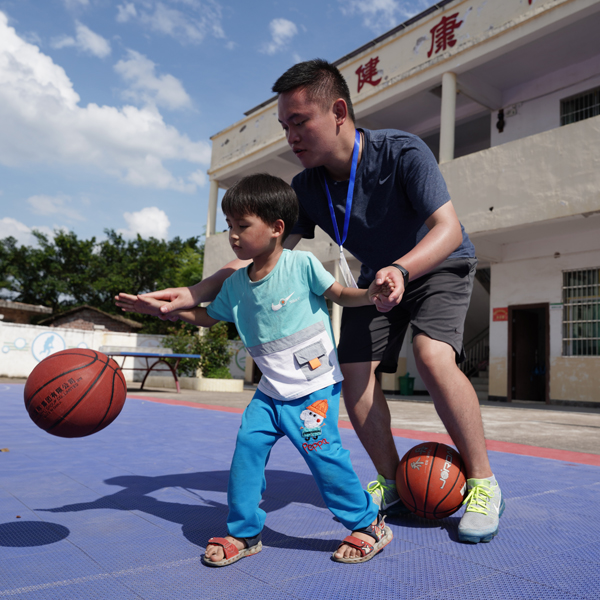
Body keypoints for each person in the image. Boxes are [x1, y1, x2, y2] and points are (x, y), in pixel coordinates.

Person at [134, 59, 504, 544]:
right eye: (285, 125)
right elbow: (262, 261)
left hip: (437, 264)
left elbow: (448, 228)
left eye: (300, 121)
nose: (292, 135)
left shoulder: (401, 152)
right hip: (376, 280)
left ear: (338, 111)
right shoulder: (305, 189)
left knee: (432, 356)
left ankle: (482, 483)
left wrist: (402, 268)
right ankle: (391, 482)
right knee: (353, 372)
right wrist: (195, 293)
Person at [117, 174, 393, 566]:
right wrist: (164, 310)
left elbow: (340, 295)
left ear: (277, 228)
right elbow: (206, 317)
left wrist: (369, 294)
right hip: (269, 394)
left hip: (314, 389)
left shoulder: (301, 264)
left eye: (242, 225)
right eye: (229, 226)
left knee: (322, 453)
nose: (233, 235)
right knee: (246, 452)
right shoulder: (234, 285)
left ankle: (369, 524)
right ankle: (244, 532)